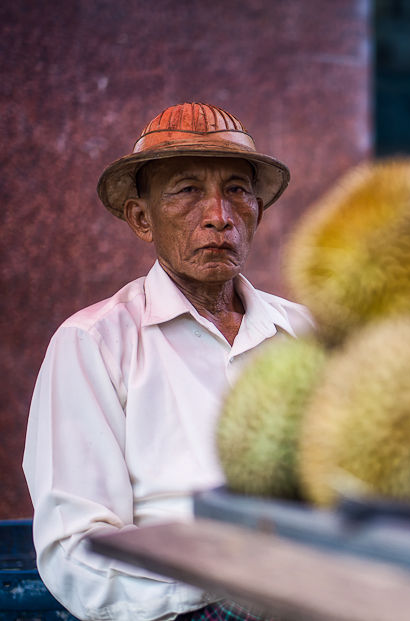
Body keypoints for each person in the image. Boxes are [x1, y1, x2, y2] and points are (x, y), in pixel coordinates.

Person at [22, 102, 315, 620]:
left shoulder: (306, 334)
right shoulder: (93, 343)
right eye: (186, 191)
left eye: (236, 190)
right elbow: (76, 550)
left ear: (258, 212)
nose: (219, 216)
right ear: (142, 218)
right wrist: (226, 581)